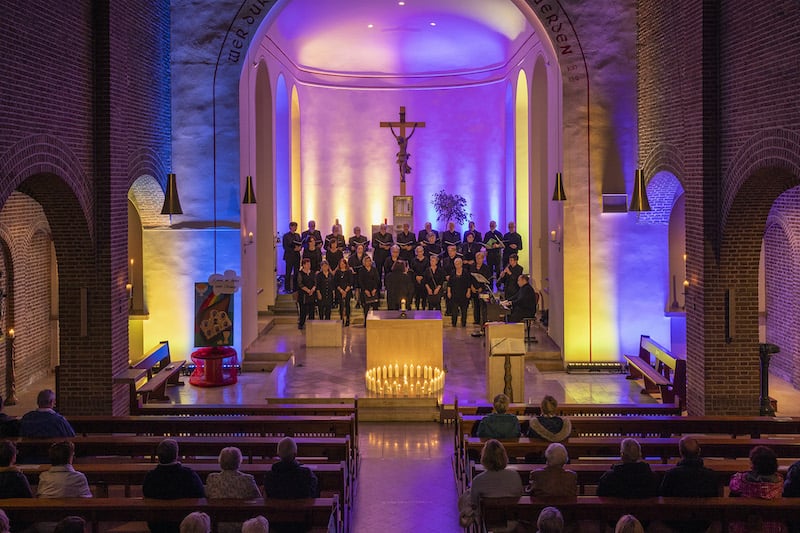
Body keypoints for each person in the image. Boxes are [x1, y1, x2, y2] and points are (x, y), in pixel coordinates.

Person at [142, 439, 206, 533]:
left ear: (158, 456)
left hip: (157, 524)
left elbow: (146, 495)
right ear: (176, 455)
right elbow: (201, 495)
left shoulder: (150, 477)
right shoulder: (189, 475)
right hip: (186, 524)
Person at [659, 436, 719, 533]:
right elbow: (716, 496)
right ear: (699, 452)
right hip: (703, 522)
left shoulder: (671, 474)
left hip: (676, 521)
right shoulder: (711, 475)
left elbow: (662, 495)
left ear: (681, 453)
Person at [729, 445, 785, 533]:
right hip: (773, 527)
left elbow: (732, 486)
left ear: (753, 465)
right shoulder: (779, 482)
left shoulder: (741, 480)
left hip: (744, 526)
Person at [466, 440, 523, 525]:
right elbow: (519, 494)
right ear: (504, 456)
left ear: (484, 457)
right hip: (512, 522)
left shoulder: (478, 480)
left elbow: (474, 505)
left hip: (486, 524)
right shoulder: (515, 475)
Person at [447, 258, 472, 327]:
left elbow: (468, 283)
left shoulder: (465, 272)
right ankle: (454, 323)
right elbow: (449, 283)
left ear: (461, 264)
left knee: (464, 310)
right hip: (454, 294)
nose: (457, 265)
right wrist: (449, 292)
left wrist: (468, 292)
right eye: (455, 264)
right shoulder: (452, 272)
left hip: (463, 294)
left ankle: (463, 323)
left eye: (458, 264)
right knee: (454, 310)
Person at [471, 251, 493, 326]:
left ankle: (483, 320)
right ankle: (476, 320)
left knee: (483, 305)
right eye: (477, 258)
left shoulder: (486, 268)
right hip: (474, 288)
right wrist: (472, 286)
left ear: (483, 259)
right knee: (475, 305)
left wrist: (482, 287)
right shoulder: (473, 266)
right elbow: (470, 277)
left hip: (482, 289)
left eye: (480, 258)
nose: (478, 260)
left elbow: (487, 279)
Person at [281, 222, 302, 293]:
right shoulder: (286, 236)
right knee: (288, 272)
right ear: (290, 227)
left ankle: (295, 288)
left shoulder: (297, 235)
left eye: (296, 226)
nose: (295, 228)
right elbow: (285, 246)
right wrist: (293, 249)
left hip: (296, 256)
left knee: (296, 272)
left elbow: (300, 243)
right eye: (294, 226)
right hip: (289, 256)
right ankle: (287, 288)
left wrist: (299, 248)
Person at [296, 258, 316, 330]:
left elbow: (315, 282)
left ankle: (311, 323)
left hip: (312, 294)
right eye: (307, 264)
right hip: (303, 294)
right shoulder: (300, 273)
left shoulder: (312, 273)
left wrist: (312, 289)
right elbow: (300, 284)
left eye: (309, 264)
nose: (309, 265)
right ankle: (301, 323)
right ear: (303, 265)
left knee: (311, 310)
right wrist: (307, 290)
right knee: (303, 310)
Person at [484, 220, 505, 289]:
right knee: (489, 270)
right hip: (489, 255)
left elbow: (503, 245)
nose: (492, 226)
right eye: (491, 225)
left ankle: (498, 285)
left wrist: (497, 245)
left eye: (493, 225)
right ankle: (490, 286)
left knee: (498, 270)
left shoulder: (499, 234)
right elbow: (484, 244)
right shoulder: (487, 234)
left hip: (497, 254)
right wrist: (487, 246)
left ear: (495, 226)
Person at [372, 224, 393, 289]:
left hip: (387, 256)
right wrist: (379, 246)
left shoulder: (389, 235)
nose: (383, 229)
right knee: (378, 271)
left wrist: (389, 246)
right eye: (382, 228)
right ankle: (379, 286)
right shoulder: (375, 235)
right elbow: (373, 244)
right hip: (378, 256)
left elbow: (392, 243)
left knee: (387, 271)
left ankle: (387, 285)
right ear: (380, 228)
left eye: (384, 228)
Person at [334, 258, 353, 326]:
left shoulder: (349, 271)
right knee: (341, 305)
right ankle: (341, 318)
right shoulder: (337, 272)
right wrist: (341, 290)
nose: (342, 265)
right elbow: (336, 282)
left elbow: (351, 282)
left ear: (345, 264)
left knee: (347, 305)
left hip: (347, 290)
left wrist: (345, 291)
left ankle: (347, 318)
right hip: (340, 291)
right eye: (341, 264)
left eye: (343, 264)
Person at [348, 243, 366, 308]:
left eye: (361, 248)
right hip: (355, 274)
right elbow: (349, 266)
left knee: (363, 287)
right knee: (357, 288)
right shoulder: (352, 257)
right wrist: (351, 270)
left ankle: (363, 301)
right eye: (359, 248)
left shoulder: (366, 256)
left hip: (363, 275)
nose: (360, 250)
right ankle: (357, 301)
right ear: (356, 249)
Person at [411, 246, 429, 310]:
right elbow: (412, 270)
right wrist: (416, 276)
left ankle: (424, 307)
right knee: (417, 295)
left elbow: (427, 270)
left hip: (424, 280)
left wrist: (422, 276)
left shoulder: (426, 260)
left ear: (423, 252)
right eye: (418, 252)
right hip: (415, 280)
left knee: (424, 295)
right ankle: (417, 307)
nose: (419, 253)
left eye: (421, 251)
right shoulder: (413, 260)